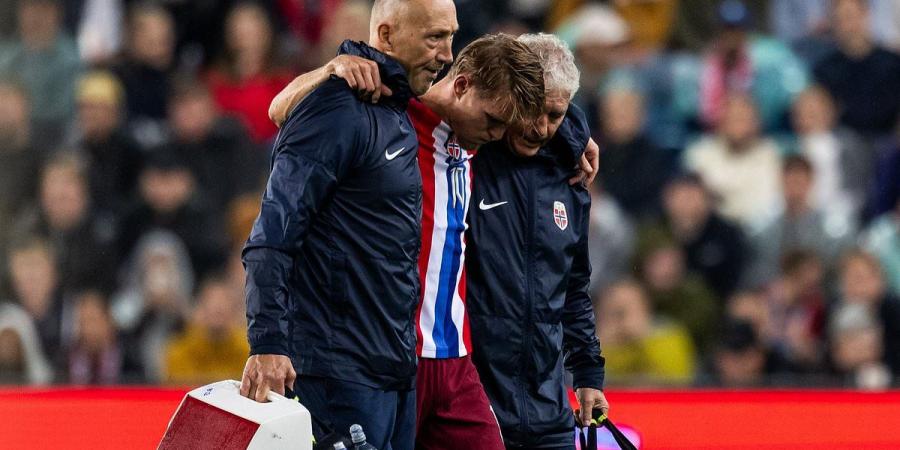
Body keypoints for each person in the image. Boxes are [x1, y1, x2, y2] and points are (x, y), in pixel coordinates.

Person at [267, 31, 603, 449]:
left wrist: (573, 129)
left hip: (458, 360)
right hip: (387, 353)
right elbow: (280, 109)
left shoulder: (490, 142)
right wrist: (331, 69)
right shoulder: (408, 116)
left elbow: (575, 285)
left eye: (553, 116)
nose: (528, 129)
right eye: (511, 117)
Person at [465, 34, 607, 449]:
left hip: (550, 412)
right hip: (474, 406)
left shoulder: (571, 181)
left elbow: (574, 286)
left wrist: (587, 373)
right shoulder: (467, 161)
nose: (541, 128)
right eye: (530, 110)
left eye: (556, 115)